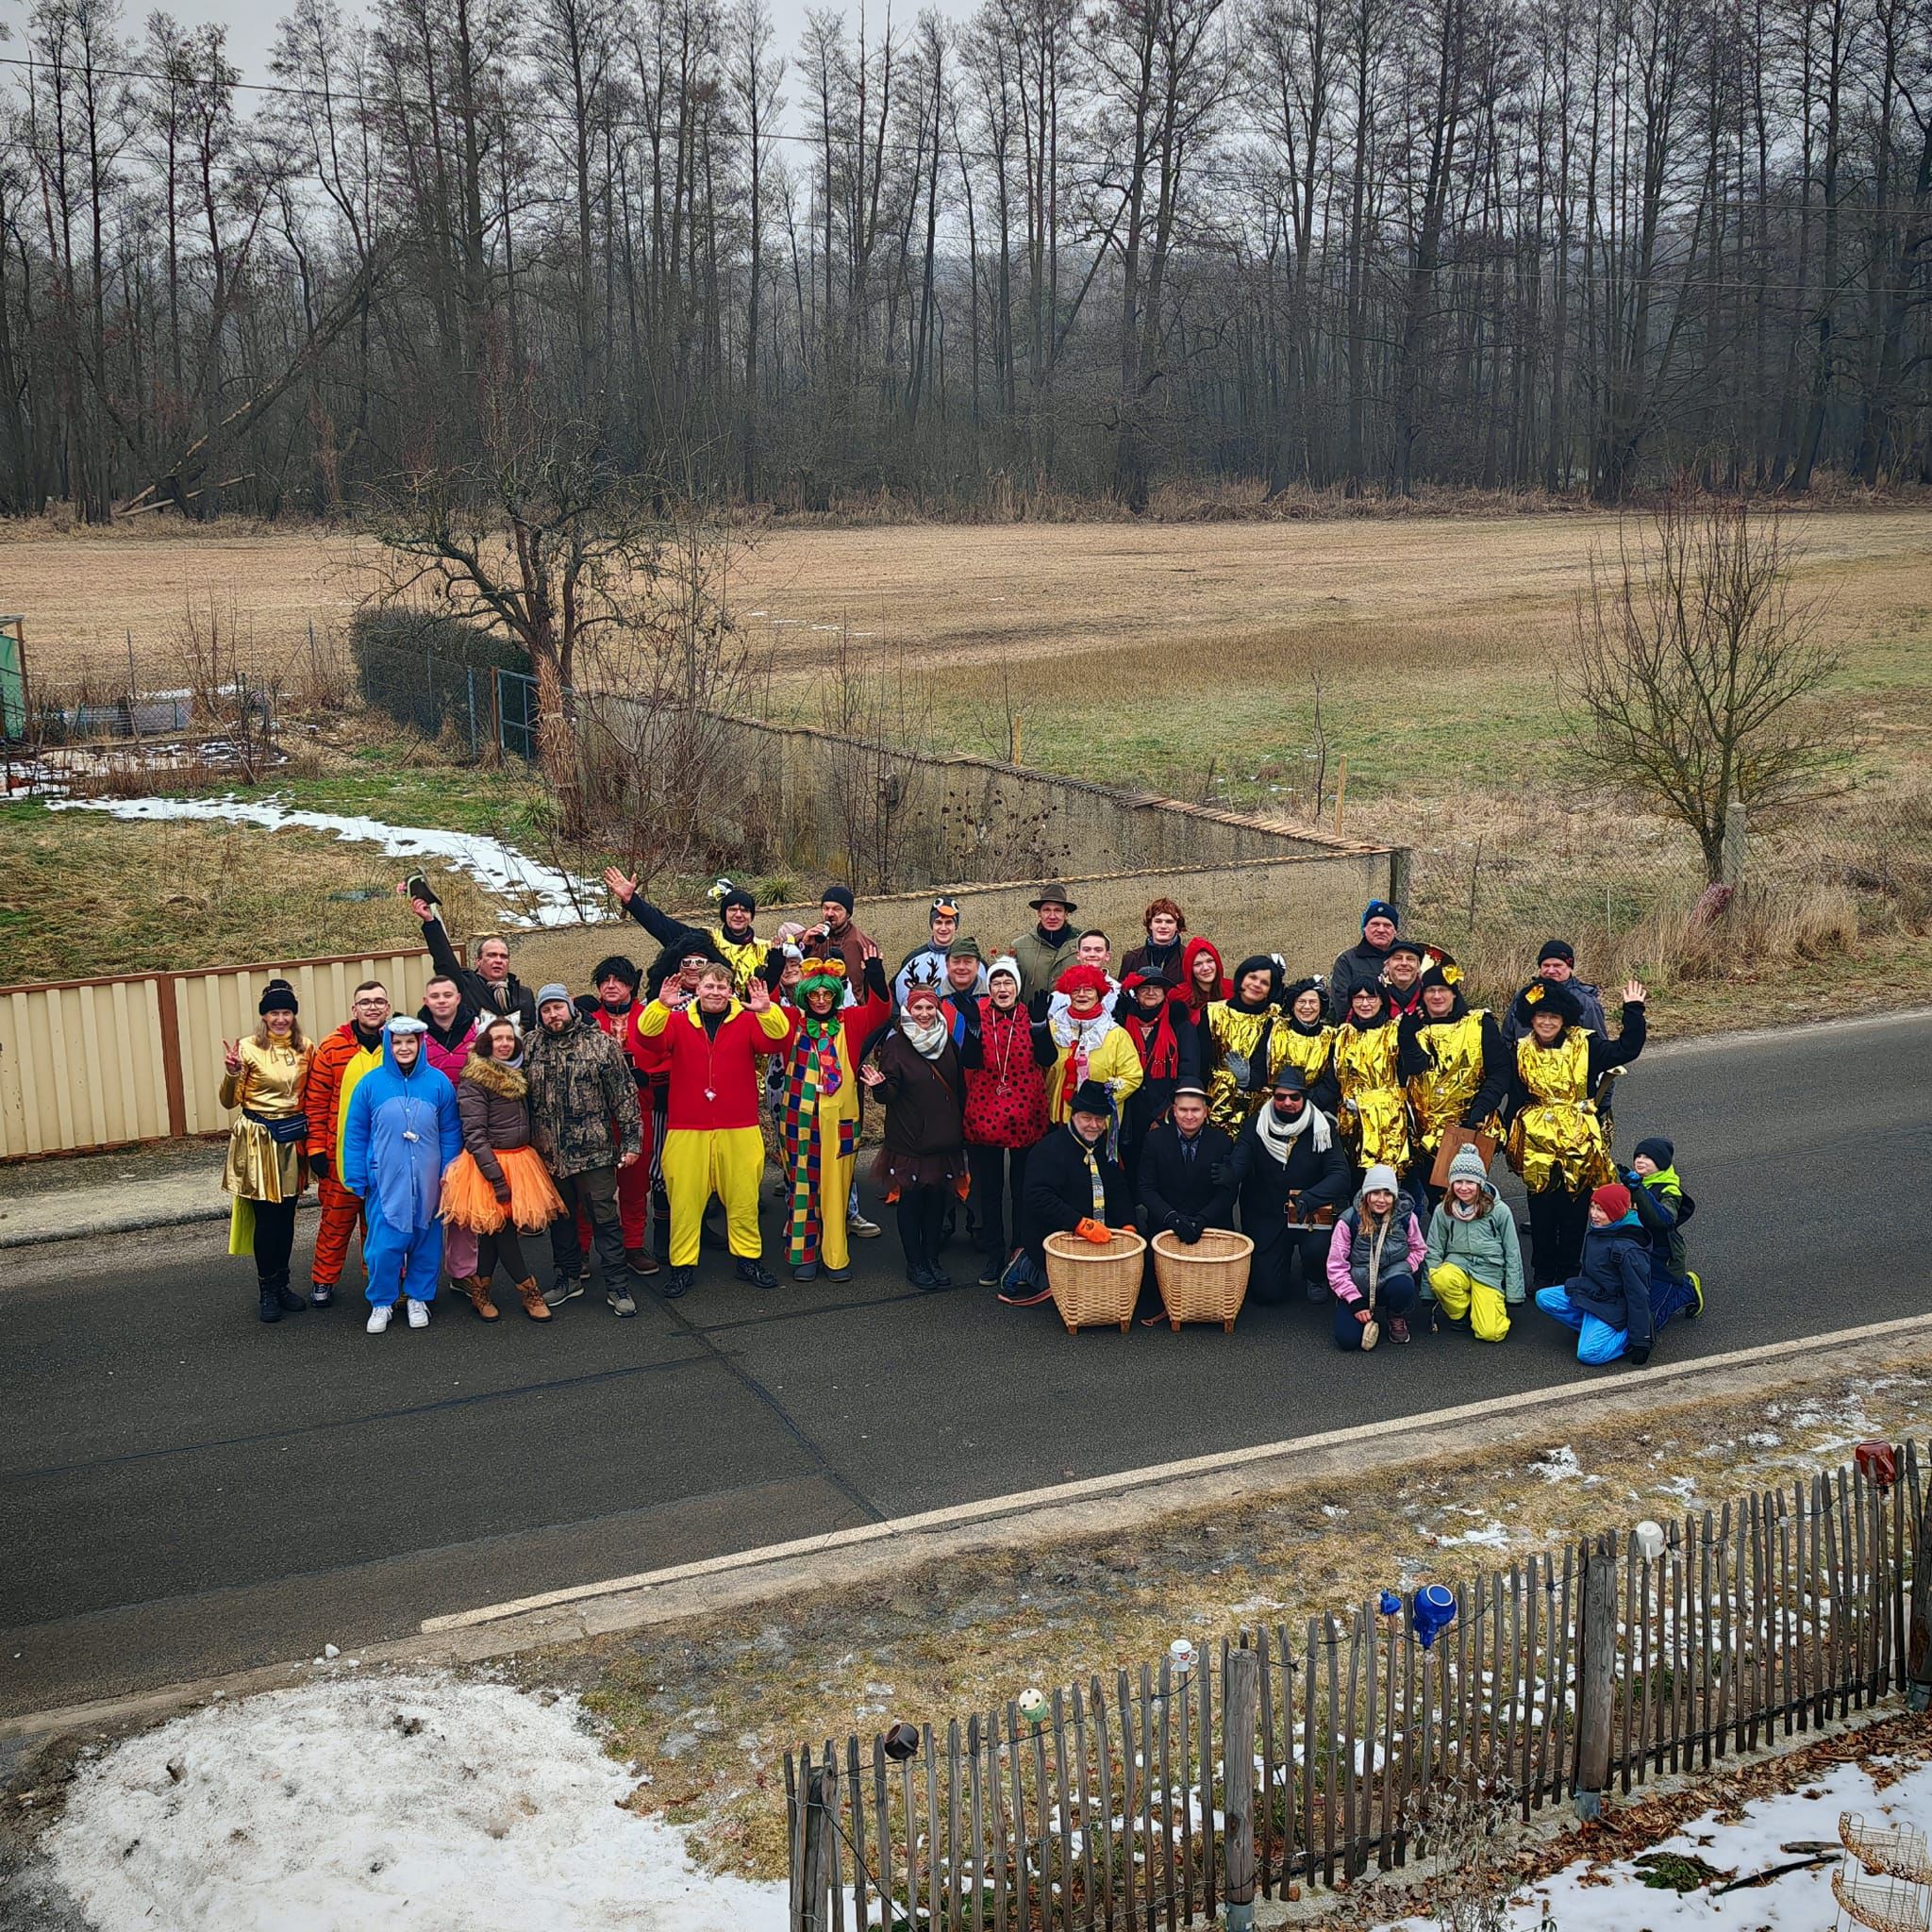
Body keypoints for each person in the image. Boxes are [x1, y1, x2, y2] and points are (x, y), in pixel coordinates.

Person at [638, 962, 791, 1297]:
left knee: (744, 1199)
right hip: (686, 1127)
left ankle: (748, 1259)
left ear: (731, 991)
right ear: (697, 989)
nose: (715, 993)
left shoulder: (748, 1020)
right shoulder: (677, 1021)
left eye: (722, 987)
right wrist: (660, 1005)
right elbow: (646, 1038)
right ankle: (682, 1266)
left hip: (739, 1126)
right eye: (709, 986)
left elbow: (778, 1039)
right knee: (685, 1201)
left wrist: (767, 1010)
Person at [1502, 977, 1648, 1289]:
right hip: (1536, 1141)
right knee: (1541, 1211)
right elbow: (1514, 1097)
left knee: (1574, 1209)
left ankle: (1569, 1270)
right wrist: (1506, 1135)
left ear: (1564, 1019)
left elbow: (1626, 1049)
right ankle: (1542, 1271)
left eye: (1553, 1017)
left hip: (1578, 1139)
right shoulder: (1520, 1051)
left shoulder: (1586, 1044)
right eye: (1541, 1016)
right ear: (1532, 1019)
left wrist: (1633, 1011)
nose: (1546, 1022)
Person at [772, 949, 891, 1282]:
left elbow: (881, 1012)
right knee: (802, 1187)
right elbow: (765, 1012)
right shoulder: (792, 1022)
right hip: (798, 1121)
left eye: (827, 994)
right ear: (805, 996)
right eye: (814, 994)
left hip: (840, 1122)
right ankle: (804, 1253)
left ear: (836, 995)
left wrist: (876, 975)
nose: (821, 1000)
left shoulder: (850, 1021)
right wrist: (772, 971)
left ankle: (835, 1256)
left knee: (837, 1188)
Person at [527, 982, 647, 1314]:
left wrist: (632, 1141)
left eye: (558, 1007)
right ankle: (567, 1279)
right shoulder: (531, 1046)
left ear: (570, 1007)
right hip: (549, 1154)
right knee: (561, 1221)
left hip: (594, 1151)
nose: (553, 1014)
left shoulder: (600, 1044)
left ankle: (617, 1286)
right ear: (540, 1014)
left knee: (605, 1219)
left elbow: (624, 1097)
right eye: (546, 1009)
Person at [441, 1016, 565, 1322]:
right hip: (490, 1165)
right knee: (504, 1230)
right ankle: (529, 1290)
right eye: (498, 1039)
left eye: (509, 1038)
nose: (505, 1043)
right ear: (486, 1043)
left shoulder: (516, 1072)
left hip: (521, 1160)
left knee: (494, 1233)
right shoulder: (476, 1079)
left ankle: (481, 1291)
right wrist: (496, 1178)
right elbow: (474, 1134)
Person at [342, 1016, 461, 1336]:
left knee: (425, 1241)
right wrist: (357, 1174)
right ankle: (381, 1301)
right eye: (397, 1042)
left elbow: (450, 1131)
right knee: (383, 1245)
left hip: (428, 1178)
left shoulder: (438, 1083)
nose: (404, 1048)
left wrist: (450, 1170)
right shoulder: (370, 1084)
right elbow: (355, 1133)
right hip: (386, 1179)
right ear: (388, 1045)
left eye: (410, 1042)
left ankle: (418, 1298)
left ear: (420, 1044)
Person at [864, 979, 969, 1289]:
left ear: (937, 1009)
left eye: (929, 1007)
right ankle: (915, 1263)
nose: (924, 1013)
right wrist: (880, 1086)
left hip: (944, 1137)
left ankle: (932, 1257)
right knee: (911, 1202)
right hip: (910, 1138)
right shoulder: (897, 1045)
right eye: (917, 1007)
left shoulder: (947, 1040)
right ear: (908, 1009)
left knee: (938, 1201)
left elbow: (959, 1085)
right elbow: (889, 1094)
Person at [221, 978, 313, 1325]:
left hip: (291, 1139)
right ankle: (266, 1289)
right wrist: (231, 1074)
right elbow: (230, 1101)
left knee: (287, 1216)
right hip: (258, 1139)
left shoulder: (307, 1048)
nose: (280, 1018)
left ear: (293, 1015)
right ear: (264, 1016)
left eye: (286, 1012)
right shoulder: (246, 1048)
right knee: (266, 1219)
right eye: (274, 1012)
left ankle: (284, 1283)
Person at [960, 955, 1056, 1289]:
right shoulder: (979, 1016)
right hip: (985, 1110)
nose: (1002, 988)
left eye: (1008, 983)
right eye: (997, 983)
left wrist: (1042, 1027)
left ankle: (1021, 1249)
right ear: (990, 987)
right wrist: (972, 1029)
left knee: (1021, 1188)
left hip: (1025, 1113)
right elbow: (969, 1060)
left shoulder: (1030, 1017)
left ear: (1016, 986)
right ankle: (993, 1253)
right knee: (989, 1189)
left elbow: (1048, 1059)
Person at [1223, 1066, 1353, 1306]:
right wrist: (1230, 1173)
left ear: (1304, 1098)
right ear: (1273, 1097)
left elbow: (1340, 1174)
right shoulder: (1256, 1124)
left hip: (1309, 1208)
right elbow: (1241, 1158)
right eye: (1281, 1097)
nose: (1287, 1102)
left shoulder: (1321, 1127)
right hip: (1267, 1213)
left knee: (1316, 1250)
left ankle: (1314, 1275)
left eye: (1295, 1097)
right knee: (1267, 1294)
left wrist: (1310, 1197)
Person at [302, 980, 391, 1308]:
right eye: (365, 1002)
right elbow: (315, 1102)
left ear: (388, 1008)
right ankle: (323, 1279)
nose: (372, 1007)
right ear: (354, 1010)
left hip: (385, 1156)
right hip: (340, 1156)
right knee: (335, 1223)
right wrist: (315, 1150)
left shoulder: (400, 1044)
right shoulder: (332, 1047)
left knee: (379, 1224)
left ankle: (380, 1280)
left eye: (378, 1002)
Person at [573, 954, 661, 1279]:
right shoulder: (584, 1020)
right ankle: (582, 1249)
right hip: (595, 1116)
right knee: (591, 1187)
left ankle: (633, 1245)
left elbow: (669, 1056)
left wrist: (647, 1074)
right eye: (605, 981)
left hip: (639, 1111)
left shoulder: (648, 1017)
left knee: (635, 1184)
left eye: (619, 981)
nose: (611, 986)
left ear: (631, 986)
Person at [1398, 951, 1507, 1202]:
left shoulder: (1480, 1024)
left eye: (1443, 990)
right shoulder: (1414, 1028)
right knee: (1437, 1203)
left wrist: (1479, 1111)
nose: (1437, 996)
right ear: (1422, 995)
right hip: (1424, 1133)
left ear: (1454, 993)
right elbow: (1413, 1070)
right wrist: (1407, 1037)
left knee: (1467, 1197)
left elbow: (1500, 1072)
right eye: (1430, 990)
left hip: (1468, 1127)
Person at [1012, 1079, 1131, 1302]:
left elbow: (1118, 1189)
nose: (1093, 1125)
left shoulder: (1106, 1148)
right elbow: (1038, 1197)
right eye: (1086, 1118)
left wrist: (1128, 1225)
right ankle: (1024, 1266)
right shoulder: (1047, 1150)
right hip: (1056, 1238)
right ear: (1072, 1116)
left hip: (1100, 1238)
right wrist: (1080, 1224)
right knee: (1077, 1292)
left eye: (1099, 1119)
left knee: (1113, 1289)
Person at [1535, 1182, 1653, 1365]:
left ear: (1615, 1212)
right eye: (1593, 1207)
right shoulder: (1601, 1229)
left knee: (1588, 1354)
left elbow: (1638, 1294)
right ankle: (1592, 1327)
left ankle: (1626, 1334)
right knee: (1543, 1297)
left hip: (1613, 1306)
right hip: (1595, 1295)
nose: (1594, 1214)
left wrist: (1642, 1340)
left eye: (1601, 1210)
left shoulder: (1629, 1250)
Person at [1422, 1141, 1525, 1341]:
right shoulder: (1443, 1209)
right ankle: (1459, 1312)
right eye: (1458, 1182)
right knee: (1440, 1278)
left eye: (1470, 1182)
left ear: (1480, 1183)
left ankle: (1483, 1303)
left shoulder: (1499, 1210)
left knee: (1491, 1333)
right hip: (1457, 1265)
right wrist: (1428, 1290)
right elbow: (1434, 1249)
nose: (1464, 1188)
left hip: (1488, 1270)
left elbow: (1512, 1251)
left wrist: (1515, 1294)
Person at [605, 870, 768, 995]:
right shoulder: (707, 939)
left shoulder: (765, 948)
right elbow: (663, 926)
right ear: (724, 914)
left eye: (745, 910)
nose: (738, 915)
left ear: (751, 916)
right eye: (732, 909)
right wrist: (632, 902)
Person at [1325, 1163, 1425, 1349]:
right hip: (1359, 1284)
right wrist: (1354, 1300)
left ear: (1394, 1196)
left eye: (1387, 1194)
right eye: (1375, 1193)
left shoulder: (1406, 1217)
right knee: (1347, 1340)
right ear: (1366, 1195)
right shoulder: (1349, 1220)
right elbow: (1336, 1266)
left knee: (1403, 1285)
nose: (1381, 1200)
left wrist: (1406, 1267)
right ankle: (1356, 1307)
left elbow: (1418, 1249)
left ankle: (1396, 1313)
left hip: (1392, 1277)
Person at [408, 889, 538, 1033]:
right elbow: (444, 960)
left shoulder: (524, 994)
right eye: (492, 955)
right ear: (478, 961)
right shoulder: (466, 984)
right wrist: (430, 922)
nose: (498, 960)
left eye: (503, 956)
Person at [1116, 970, 1196, 1192]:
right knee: (1128, 1171)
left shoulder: (1179, 1024)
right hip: (1129, 1111)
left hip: (1164, 1109)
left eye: (1157, 988)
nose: (1151, 992)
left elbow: (1188, 1071)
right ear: (1136, 993)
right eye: (1144, 988)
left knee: (1161, 1173)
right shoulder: (1122, 1022)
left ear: (1164, 993)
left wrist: (1164, 1115)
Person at [1043, 963, 1142, 1141]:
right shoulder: (1053, 1029)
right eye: (1076, 990)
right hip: (1057, 1120)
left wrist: (1101, 1095)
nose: (1082, 995)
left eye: (1088, 990)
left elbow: (1132, 1076)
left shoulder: (1116, 1034)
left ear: (1098, 994)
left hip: (1097, 1124)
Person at [1136, 1083, 1236, 1248]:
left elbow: (1228, 1192)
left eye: (1195, 1110)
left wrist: (1203, 1219)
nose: (1189, 1116)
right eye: (1183, 1110)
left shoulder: (1222, 1142)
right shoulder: (1154, 1140)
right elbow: (1146, 1188)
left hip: (1212, 1232)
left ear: (1205, 1112)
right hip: (1165, 1230)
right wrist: (1172, 1217)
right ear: (1174, 1111)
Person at [1332, 983, 1413, 1178]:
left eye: (1371, 998)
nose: (1365, 1003)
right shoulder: (1342, 1034)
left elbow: (1413, 1067)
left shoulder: (1395, 1031)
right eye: (1358, 998)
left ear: (1382, 1001)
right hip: (1351, 1119)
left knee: (1389, 1185)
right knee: (1355, 1180)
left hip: (1389, 1121)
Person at [1202, 956, 1286, 1136]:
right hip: (1214, 1098)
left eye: (1264, 982)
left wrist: (1248, 1079)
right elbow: (1201, 1060)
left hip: (1256, 1104)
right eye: (1253, 977)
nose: (1256, 984)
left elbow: (1268, 1065)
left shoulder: (1273, 1022)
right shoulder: (1212, 1012)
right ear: (1242, 978)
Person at [1627, 1135, 1704, 1329]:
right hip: (1639, 1255)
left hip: (1664, 1261)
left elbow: (1663, 1220)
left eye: (1648, 1157)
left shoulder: (1670, 1190)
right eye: (1638, 1156)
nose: (1640, 1160)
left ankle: (1687, 1289)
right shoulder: (1634, 1183)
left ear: (1660, 1163)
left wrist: (1638, 1192)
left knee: (1650, 1324)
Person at [1501, 941, 1608, 1041]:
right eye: (1546, 965)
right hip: (1525, 1059)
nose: (1551, 971)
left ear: (1569, 967)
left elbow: (1598, 1046)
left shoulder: (1586, 1001)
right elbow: (1507, 1037)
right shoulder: (1526, 996)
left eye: (1557, 965)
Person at [894, 895, 974, 1007]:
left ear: (956, 926)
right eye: (938, 922)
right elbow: (894, 996)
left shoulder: (973, 959)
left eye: (949, 922)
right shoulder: (913, 959)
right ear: (932, 925)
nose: (943, 928)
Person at [1329, 900, 1401, 1022]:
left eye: (1387, 925)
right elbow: (1342, 1002)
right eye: (1375, 924)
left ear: (1395, 931)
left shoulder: (1408, 960)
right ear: (1365, 928)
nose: (1381, 930)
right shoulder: (1346, 960)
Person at [1009, 883, 1082, 1002]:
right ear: (1039, 913)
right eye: (1047, 910)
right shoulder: (1019, 947)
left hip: (1072, 1018)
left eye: (1058, 910)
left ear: (1066, 914)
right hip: (1030, 1018)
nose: (1052, 916)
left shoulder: (1083, 945)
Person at [1275, 975, 1338, 1105]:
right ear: (1293, 1006)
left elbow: (1330, 1083)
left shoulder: (1333, 1038)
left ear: (1321, 1006)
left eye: (1313, 1002)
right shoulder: (1276, 1030)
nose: (1307, 1007)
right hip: (1276, 1104)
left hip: (1316, 1107)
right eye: (1301, 1001)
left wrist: (1303, 1101)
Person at [802, 884, 874, 984]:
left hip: (851, 998)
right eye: (825, 908)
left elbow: (874, 983)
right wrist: (804, 947)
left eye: (837, 909)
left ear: (848, 914)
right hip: (819, 998)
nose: (830, 914)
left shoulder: (861, 943)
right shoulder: (813, 935)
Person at [1121, 898, 1189, 988]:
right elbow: (1122, 995)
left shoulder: (1188, 958)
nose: (1163, 926)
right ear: (1150, 925)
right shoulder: (1131, 959)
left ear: (1177, 927)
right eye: (1158, 921)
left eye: (1169, 922)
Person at [940, 936, 989, 1042]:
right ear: (947, 965)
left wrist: (977, 1025)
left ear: (978, 965)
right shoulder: (934, 999)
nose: (961, 967)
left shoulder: (993, 998)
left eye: (968, 962)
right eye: (956, 962)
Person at [1379, 937, 1430, 1020]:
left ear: (1418, 967)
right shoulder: (1373, 991)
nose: (1404, 963)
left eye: (1410, 959)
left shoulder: (1431, 995)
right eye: (1398, 958)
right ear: (1387, 965)